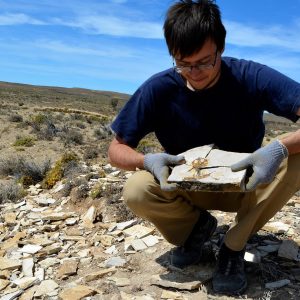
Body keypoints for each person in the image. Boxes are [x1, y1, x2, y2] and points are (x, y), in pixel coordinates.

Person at [108, 0, 300, 295]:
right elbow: (116, 149)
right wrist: (146, 161)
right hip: (186, 185)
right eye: (183, 63)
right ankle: (196, 228)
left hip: (246, 184)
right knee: (136, 189)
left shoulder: (251, 76)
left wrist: (278, 148)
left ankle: (233, 247)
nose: (194, 72)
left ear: (220, 48)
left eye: (205, 61)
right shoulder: (159, 88)